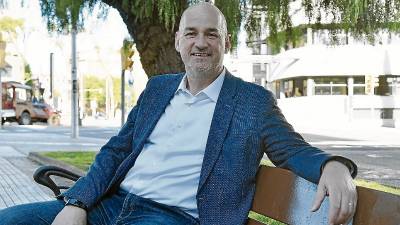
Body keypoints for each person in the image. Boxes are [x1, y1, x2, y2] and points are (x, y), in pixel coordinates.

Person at [0, 2, 357, 225]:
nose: (200, 42)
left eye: (211, 34)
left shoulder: (252, 102)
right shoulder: (157, 88)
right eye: (191, 33)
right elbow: (115, 152)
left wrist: (334, 165)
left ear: (225, 43)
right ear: (177, 42)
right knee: (11, 220)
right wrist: (77, 202)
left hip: (171, 217)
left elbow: (293, 150)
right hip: (110, 206)